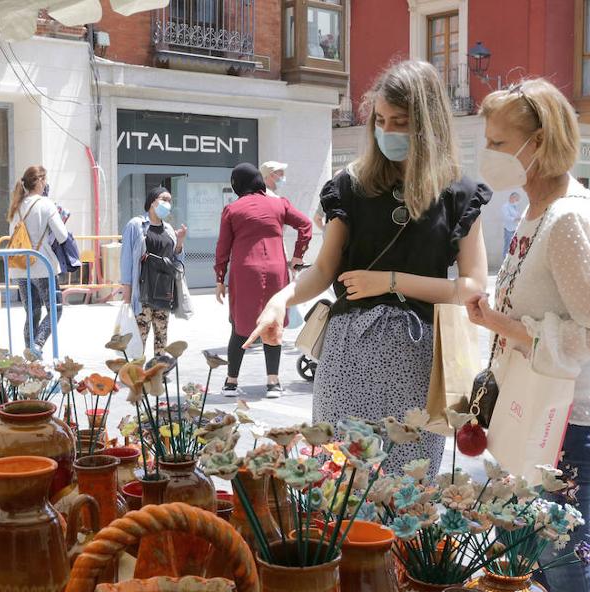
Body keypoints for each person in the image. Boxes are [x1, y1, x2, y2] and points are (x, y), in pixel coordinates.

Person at [249, 59, 489, 471]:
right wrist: (281, 299)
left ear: (427, 125)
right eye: (380, 120)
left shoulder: (458, 193)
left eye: (400, 121)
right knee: (338, 481)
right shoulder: (350, 185)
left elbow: (471, 285)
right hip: (348, 353)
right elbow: (324, 270)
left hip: (418, 364)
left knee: (408, 492)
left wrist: (391, 281)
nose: (388, 132)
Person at [465, 78, 590, 592]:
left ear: (539, 143)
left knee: (558, 556)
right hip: (530, 410)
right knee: (525, 549)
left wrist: (510, 327)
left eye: (498, 141)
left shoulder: (569, 219)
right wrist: (497, 315)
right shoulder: (536, 211)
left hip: (562, 423)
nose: (488, 154)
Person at [216, 163, 312, 399]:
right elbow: (306, 225)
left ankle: (231, 382)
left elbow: (222, 249)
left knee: (239, 325)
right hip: (275, 270)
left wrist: (220, 278)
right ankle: (273, 382)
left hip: (244, 271)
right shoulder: (279, 203)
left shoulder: (232, 209)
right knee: (273, 324)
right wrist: (298, 255)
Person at [7, 165, 69, 357]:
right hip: (43, 267)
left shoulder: (16, 206)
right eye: (45, 180)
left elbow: (12, 235)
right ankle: (37, 345)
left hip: (20, 268)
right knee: (55, 309)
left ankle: (31, 357)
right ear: (40, 181)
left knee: (32, 312)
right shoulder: (46, 204)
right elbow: (62, 235)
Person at [120, 187, 186, 356]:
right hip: (143, 293)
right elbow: (127, 259)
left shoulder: (169, 229)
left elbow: (177, 263)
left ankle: (158, 376)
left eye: (170, 200)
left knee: (161, 340)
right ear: (152, 201)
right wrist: (126, 293)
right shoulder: (136, 225)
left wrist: (179, 243)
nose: (168, 203)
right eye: (164, 199)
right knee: (138, 340)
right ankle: (137, 376)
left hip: (164, 294)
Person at [501, 191, 523, 257]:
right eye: (516, 199)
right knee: (507, 247)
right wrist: (516, 219)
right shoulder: (505, 206)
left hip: (515, 229)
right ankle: (504, 264)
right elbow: (506, 217)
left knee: (513, 247)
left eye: (518, 200)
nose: (517, 201)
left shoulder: (514, 207)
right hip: (508, 230)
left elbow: (517, 216)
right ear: (511, 198)